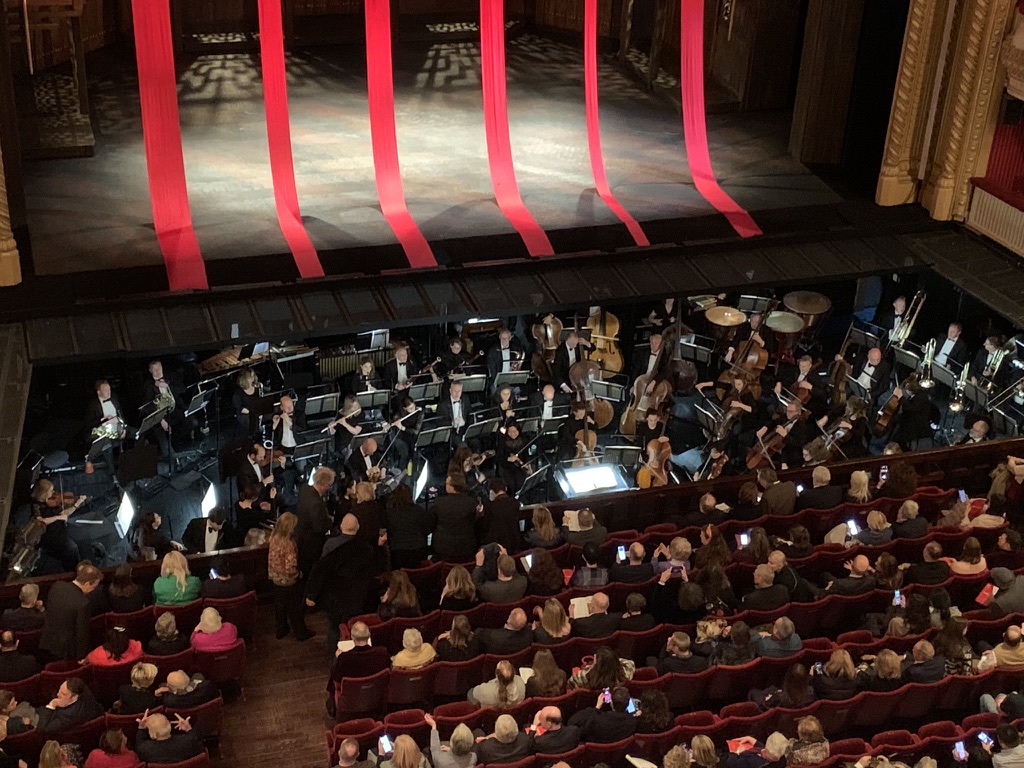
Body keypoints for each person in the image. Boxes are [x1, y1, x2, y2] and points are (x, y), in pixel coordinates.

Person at [40, 563, 102, 662]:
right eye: (94, 586)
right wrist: (82, 657)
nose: (93, 590)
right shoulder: (83, 603)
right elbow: (82, 634)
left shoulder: (57, 586)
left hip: (47, 641)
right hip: (65, 651)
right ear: (87, 584)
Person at [267, 512, 312, 641]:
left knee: (279, 605)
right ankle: (300, 632)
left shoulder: (273, 538)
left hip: (275, 577)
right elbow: (290, 567)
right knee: (294, 608)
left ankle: (281, 629)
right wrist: (298, 573)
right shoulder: (288, 543)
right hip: (288, 580)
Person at [296, 467, 335, 578]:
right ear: (323, 484)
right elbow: (318, 527)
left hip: (301, 538)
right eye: (329, 485)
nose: (330, 488)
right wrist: (330, 521)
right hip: (311, 545)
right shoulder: (316, 503)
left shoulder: (305, 490)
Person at [383, 485, 432, 569]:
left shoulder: (388, 513)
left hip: (397, 552)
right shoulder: (419, 510)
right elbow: (427, 529)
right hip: (419, 550)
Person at [431, 475, 479, 562]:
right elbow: (474, 523)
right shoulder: (471, 503)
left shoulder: (439, 503)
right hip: (466, 548)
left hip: (443, 549)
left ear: (452, 487)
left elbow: (432, 524)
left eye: (447, 483)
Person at [568, 686, 638, 743]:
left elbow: (571, 722)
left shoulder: (595, 721)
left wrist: (596, 708)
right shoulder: (633, 722)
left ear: (611, 703)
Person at [134, 711, 205, 764]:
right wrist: (189, 729)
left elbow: (139, 745)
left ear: (152, 733)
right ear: (169, 726)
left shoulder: (146, 749)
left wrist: (142, 729)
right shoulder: (188, 741)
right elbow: (200, 748)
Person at [36, 678, 103, 733]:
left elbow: (42, 729)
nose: (58, 694)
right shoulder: (79, 686)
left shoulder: (70, 716)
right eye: (60, 689)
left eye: (63, 694)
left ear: (75, 697)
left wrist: (52, 704)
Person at [481, 478, 522, 555]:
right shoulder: (515, 503)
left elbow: (486, 526)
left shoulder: (490, 507)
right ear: (505, 488)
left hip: (497, 545)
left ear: (492, 491)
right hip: (514, 542)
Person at [568, 645, 634, 690]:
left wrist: (592, 666)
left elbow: (570, 684)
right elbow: (630, 662)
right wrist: (610, 660)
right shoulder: (625, 673)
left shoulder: (582, 676)